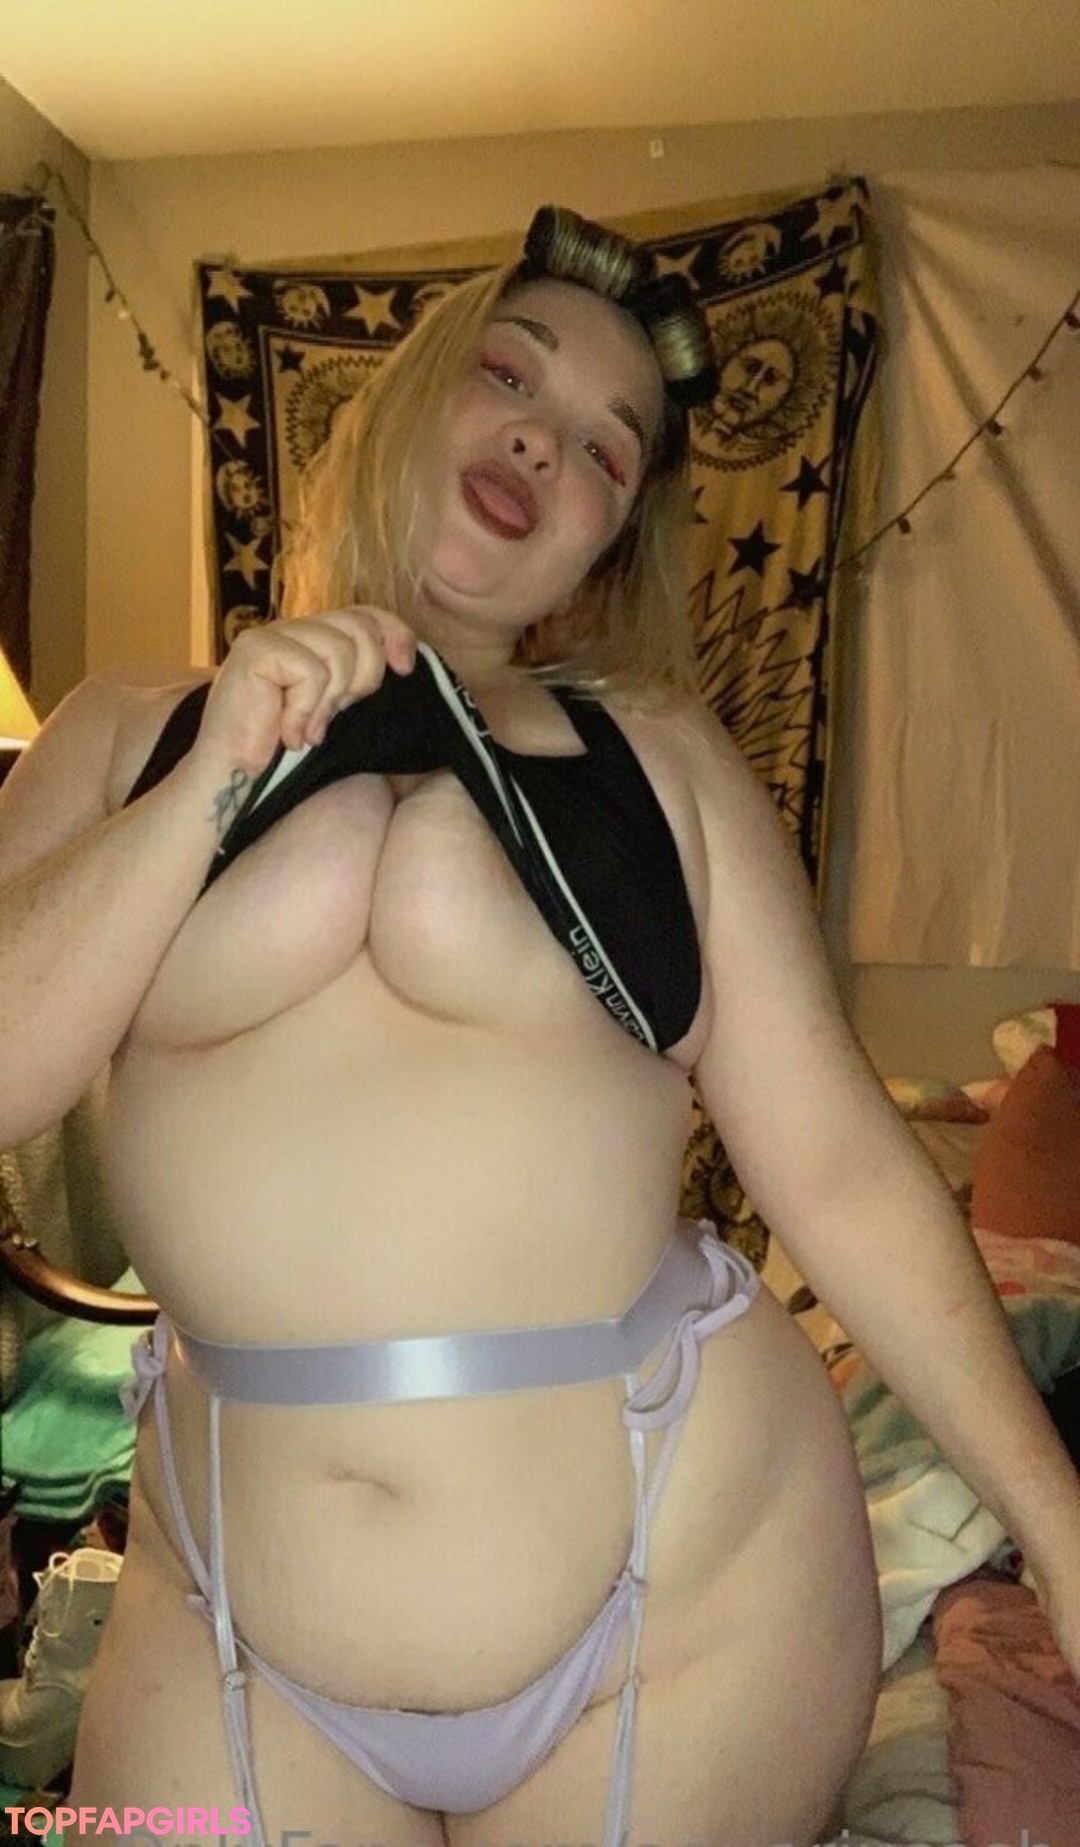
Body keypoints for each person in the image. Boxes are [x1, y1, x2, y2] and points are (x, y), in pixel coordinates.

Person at [0, 204, 1077, 1847]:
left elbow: (843, 1172)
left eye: (604, 449)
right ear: (400, 396)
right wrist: (217, 771)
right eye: (510, 376)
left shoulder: (663, 761)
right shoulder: (124, 728)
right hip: (227, 1634)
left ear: (602, 547)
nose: (543, 443)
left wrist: (1059, 1524)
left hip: (687, 1605)